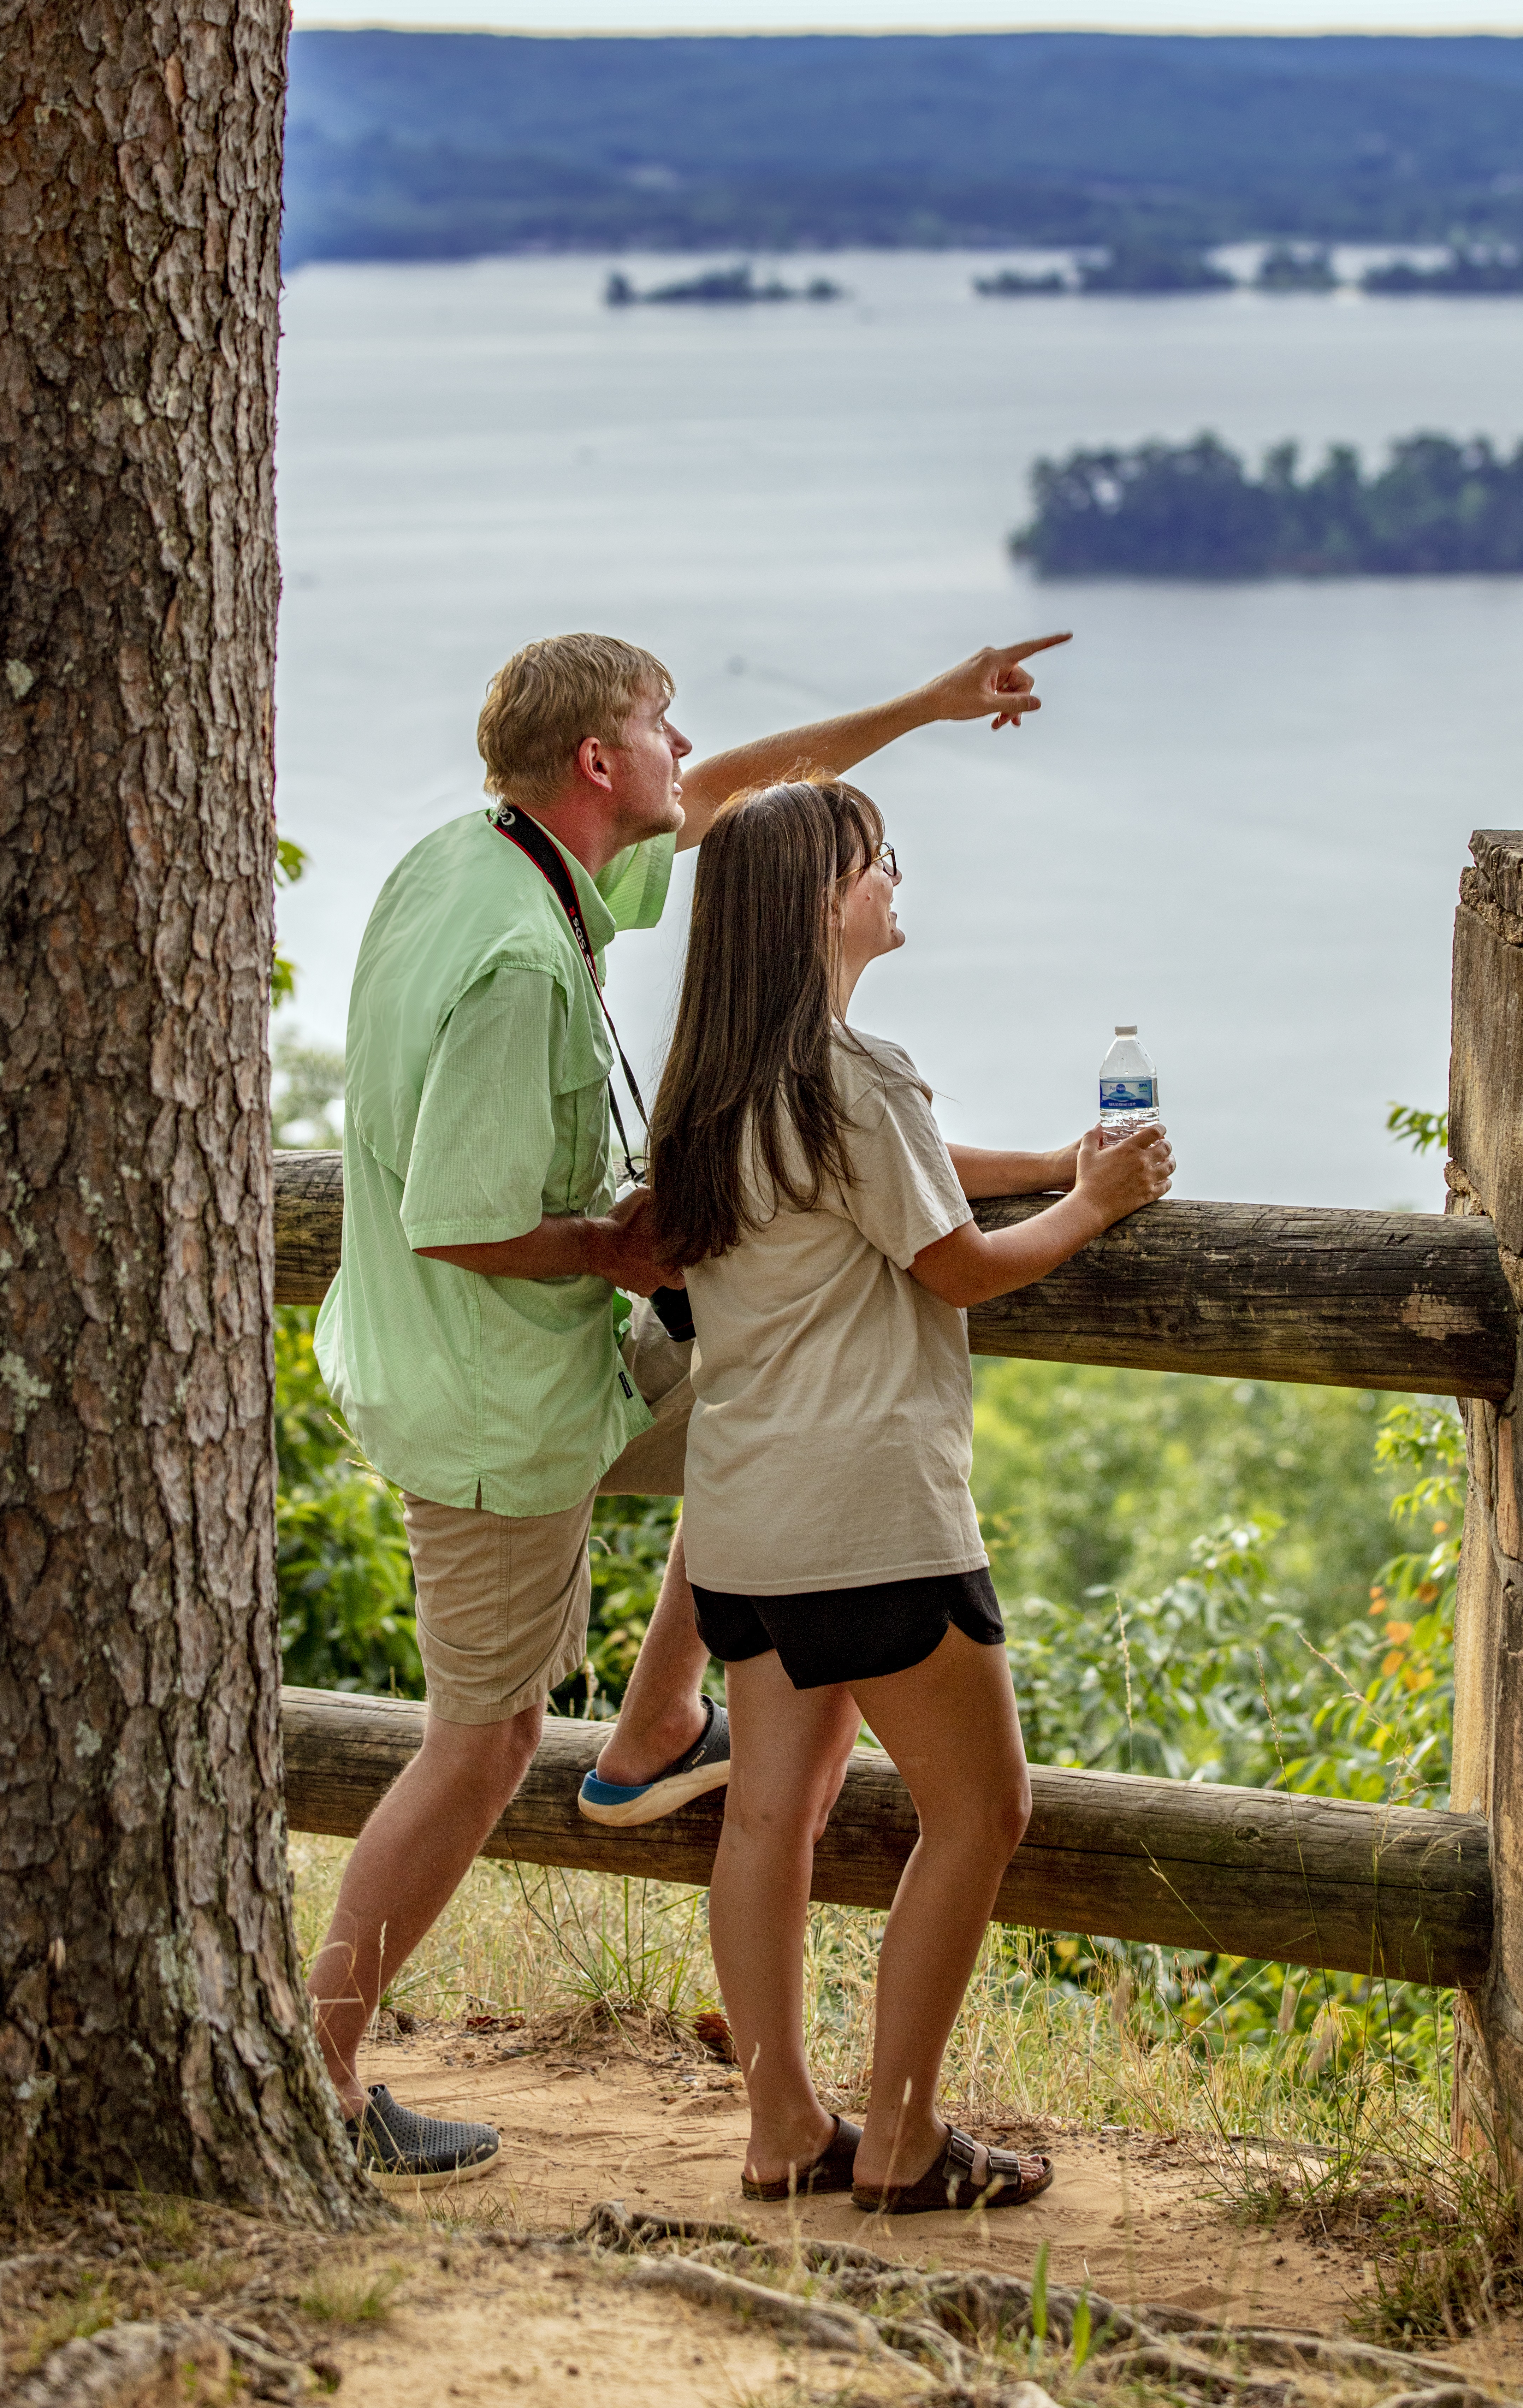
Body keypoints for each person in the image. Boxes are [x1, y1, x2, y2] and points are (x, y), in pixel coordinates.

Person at [304, 627, 1073, 2185]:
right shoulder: (522, 963)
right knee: (482, 1741)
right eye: (662, 723)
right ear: (598, 761)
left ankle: (659, 1721)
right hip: (494, 1402)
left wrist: (926, 704)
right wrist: (612, 1245)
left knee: (759, 1373)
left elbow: (739, 803)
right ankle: (306, 2068)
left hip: (519, 1365)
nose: (685, 744)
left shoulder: (485, 857)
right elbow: (458, 1216)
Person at [648, 779, 1173, 2215]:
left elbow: (898, 1177)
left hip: (745, 1525)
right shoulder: (858, 1078)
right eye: (878, 858)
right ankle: (901, 2134)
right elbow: (956, 1261)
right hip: (871, 1516)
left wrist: (1053, 1162)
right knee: (984, 1808)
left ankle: (782, 2128)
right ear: (825, 903)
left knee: (768, 1822)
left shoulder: (715, 1089)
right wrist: (1093, 1206)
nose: (893, 876)